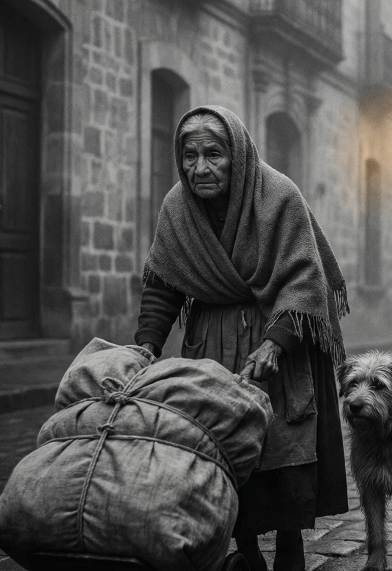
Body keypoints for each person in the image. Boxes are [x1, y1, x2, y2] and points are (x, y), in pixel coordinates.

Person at [134, 105, 349, 571]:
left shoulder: (279, 197)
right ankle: (245, 550)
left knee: (283, 444)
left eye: (213, 154)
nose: (200, 168)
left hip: (278, 345)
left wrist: (276, 342)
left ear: (237, 155)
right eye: (189, 155)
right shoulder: (177, 208)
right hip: (211, 345)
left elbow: (304, 280)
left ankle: (290, 546)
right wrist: (146, 345)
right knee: (219, 444)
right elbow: (163, 283)